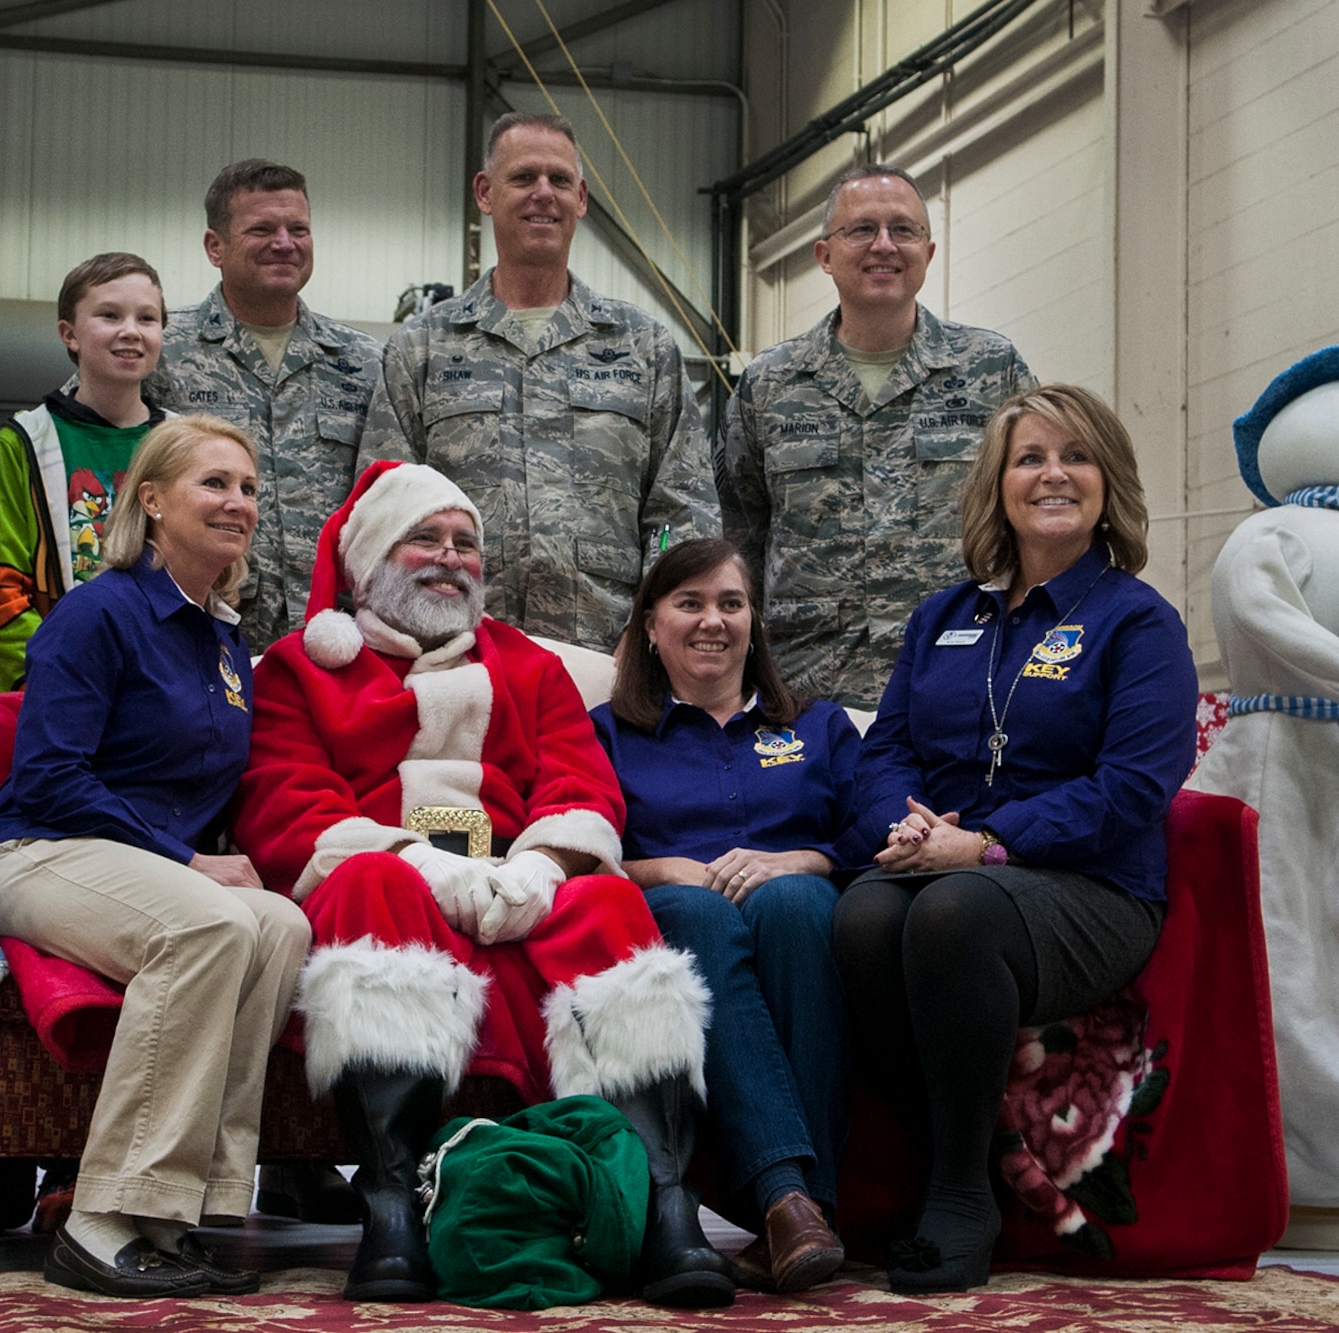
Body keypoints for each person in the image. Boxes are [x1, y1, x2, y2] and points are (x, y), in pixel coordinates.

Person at [231, 460, 735, 1308]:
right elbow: (285, 801)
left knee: (611, 900)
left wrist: (540, 866)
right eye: (424, 537)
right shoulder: (297, 667)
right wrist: (421, 862)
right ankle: (393, 1203)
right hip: (387, 878)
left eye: (465, 542)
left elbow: (581, 784)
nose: (449, 556)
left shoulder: (528, 665)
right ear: (369, 559)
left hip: (515, 886)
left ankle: (660, 1202)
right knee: (368, 890)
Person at [831, 385, 1197, 1293]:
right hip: (951, 864)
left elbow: (1133, 787)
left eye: (1075, 455)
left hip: (1093, 887)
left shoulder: (1137, 621)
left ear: (1107, 480)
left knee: (953, 912)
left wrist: (987, 841)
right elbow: (886, 752)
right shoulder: (944, 617)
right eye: (1029, 458)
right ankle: (937, 1160)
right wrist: (906, 822)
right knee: (862, 919)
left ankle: (961, 1196)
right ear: (998, 486)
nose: (1052, 475)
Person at [0, 416, 311, 1297]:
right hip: (36, 853)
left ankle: (184, 1211)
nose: (238, 502)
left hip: (143, 868)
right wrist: (188, 861)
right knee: (208, 924)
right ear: (151, 500)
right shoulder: (98, 612)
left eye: (248, 488)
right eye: (214, 483)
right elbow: (46, 776)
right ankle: (102, 1218)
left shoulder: (224, 640)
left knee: (278, 924)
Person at [589, 537, 857, 1294]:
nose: (714, 620)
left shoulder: (818, 726)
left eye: (731, 603)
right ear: (649, 624)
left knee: (798, 903)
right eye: (690, 602)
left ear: (754, 622)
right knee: (700, 914)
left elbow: (868, 834)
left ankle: (806, 1210)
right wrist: (658, 868)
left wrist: (798, 858)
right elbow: (577, 844)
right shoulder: (606, 731)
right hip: (668, 908)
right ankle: (789, 1201)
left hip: (797, 906)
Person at [360, 112, 720, 653]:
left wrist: (650, 624)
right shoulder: (423, 347)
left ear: (581, 198)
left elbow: (681, 510)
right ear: (485, 192)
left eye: (559, 180)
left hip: (608, 652)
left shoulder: (643, 346)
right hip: (456, 653)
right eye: (523, 178)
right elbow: (382, 506)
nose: (542, 194)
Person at [716, 164, 1033, 711]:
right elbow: (737, 537)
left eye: (903, 230)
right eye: (861, 229)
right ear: (824, 256)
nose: (884, 245)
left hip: (959, 679)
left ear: (928, 255)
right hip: (806, 688)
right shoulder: (768, 384)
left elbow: (1032, 521)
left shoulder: (992, 371)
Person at [147, 158, 382, 653]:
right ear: (216, 247)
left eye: (299, 228)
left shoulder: (365, 363)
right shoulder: (162, 350)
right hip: (197, 632)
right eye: (262, 229)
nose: (284, 242)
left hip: (336, 638)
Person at [0, 252, 171, 691]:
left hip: (158, 691)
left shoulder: (184, 444)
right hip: (52, 688)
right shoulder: (25, 440)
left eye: (148, 318)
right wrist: (66, 671)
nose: (131, 331)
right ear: (70, 334)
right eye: (109, 315)